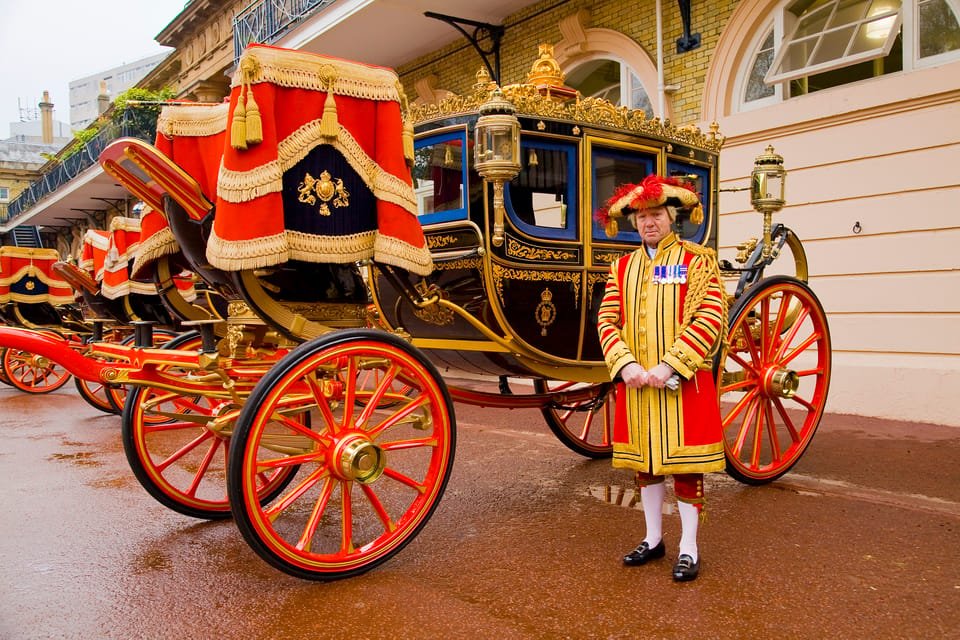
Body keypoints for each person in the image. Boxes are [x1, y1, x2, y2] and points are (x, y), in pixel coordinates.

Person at [595, 174, 727, 582]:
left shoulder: (697, 261)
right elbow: (606, 319)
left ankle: (688, 546)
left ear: (671, 218)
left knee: (687, 468)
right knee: (646, 465)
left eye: (656, 214)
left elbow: (711, 315)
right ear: (634, 223)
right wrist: (626, 364)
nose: (649, 222)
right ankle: (653, 539)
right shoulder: (621, 268)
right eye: (642, 216)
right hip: (637, 383)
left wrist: (670, 364)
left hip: (681, 382)